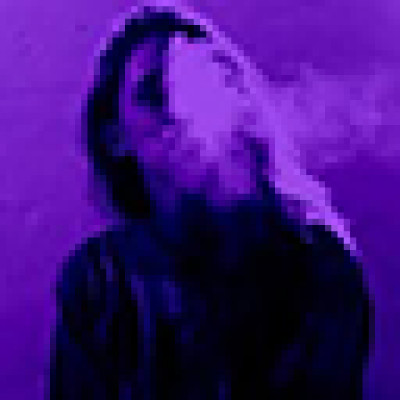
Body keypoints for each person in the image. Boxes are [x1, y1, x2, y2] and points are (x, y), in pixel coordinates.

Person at [50, 5, 373, 399]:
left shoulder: (320, 264)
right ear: (115, 139)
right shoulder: (97, 281)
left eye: (204, 84)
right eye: (153, 92)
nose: (178, 109)